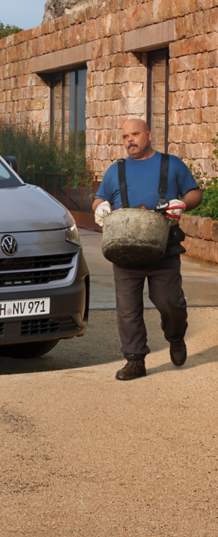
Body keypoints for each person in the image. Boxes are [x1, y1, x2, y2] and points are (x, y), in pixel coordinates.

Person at [93, 118, 202, 381]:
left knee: (169, 302)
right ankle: (135, 360)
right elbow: (99, 197)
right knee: (128, 309)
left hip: (164, 248)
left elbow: (195, 194)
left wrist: (182, 205)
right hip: (124, 248)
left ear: (149, 135)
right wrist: (100, 207)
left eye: (135, 134)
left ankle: (175, 337)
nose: (129, 140)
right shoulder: (115, 170)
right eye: (125, 136)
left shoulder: (171, 164)